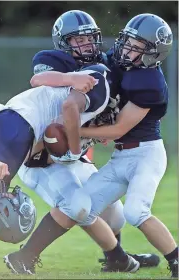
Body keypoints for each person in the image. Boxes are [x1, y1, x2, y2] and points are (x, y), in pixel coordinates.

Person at [20, 9, 159, 269]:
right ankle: (25, 257)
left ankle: (115, 257)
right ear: (64, 42)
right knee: (78, 206)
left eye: (90, 38)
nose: (87, 44)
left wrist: (101, 125)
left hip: (76, 153)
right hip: (44, 156)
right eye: (78, 40)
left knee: (114, 214)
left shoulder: (103, 64)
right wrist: (71, 78)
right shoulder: (55, 61)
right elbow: (38, 79)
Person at [76, 14, 178, 278]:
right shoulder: (117, 62)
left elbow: (119, 128)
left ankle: (176, 261)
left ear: (153, 54)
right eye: (127, 42)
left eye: (137, 47)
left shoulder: (150, 82)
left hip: (146, 153)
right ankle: (118, 257)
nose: (126, 49)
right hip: (121, 156)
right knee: (79, 207)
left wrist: (74, 129)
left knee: (135, 211)